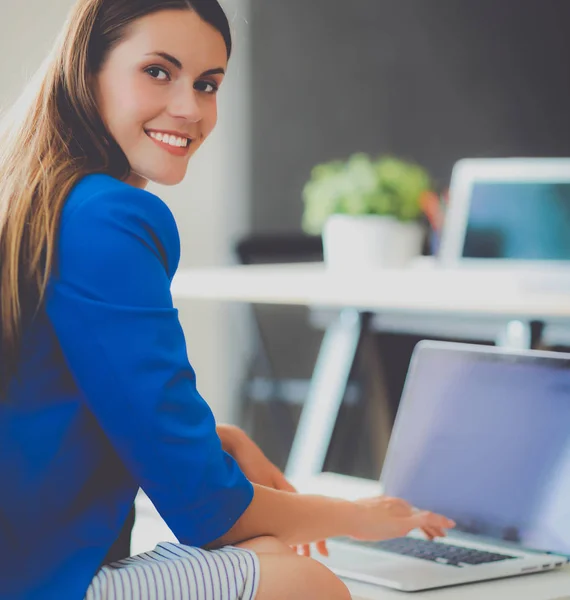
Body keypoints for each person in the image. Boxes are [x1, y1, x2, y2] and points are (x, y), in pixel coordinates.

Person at [0, 1, 455, 598]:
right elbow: (205, 506)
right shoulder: (108, 215)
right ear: (86, 72)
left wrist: (221, 441)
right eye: (158, 71)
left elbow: (60, 408)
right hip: (39, 582)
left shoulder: (39, 198)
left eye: (207, 84)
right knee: (309, 584)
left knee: (267, 550)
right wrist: (361, 517)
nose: (190, 109)